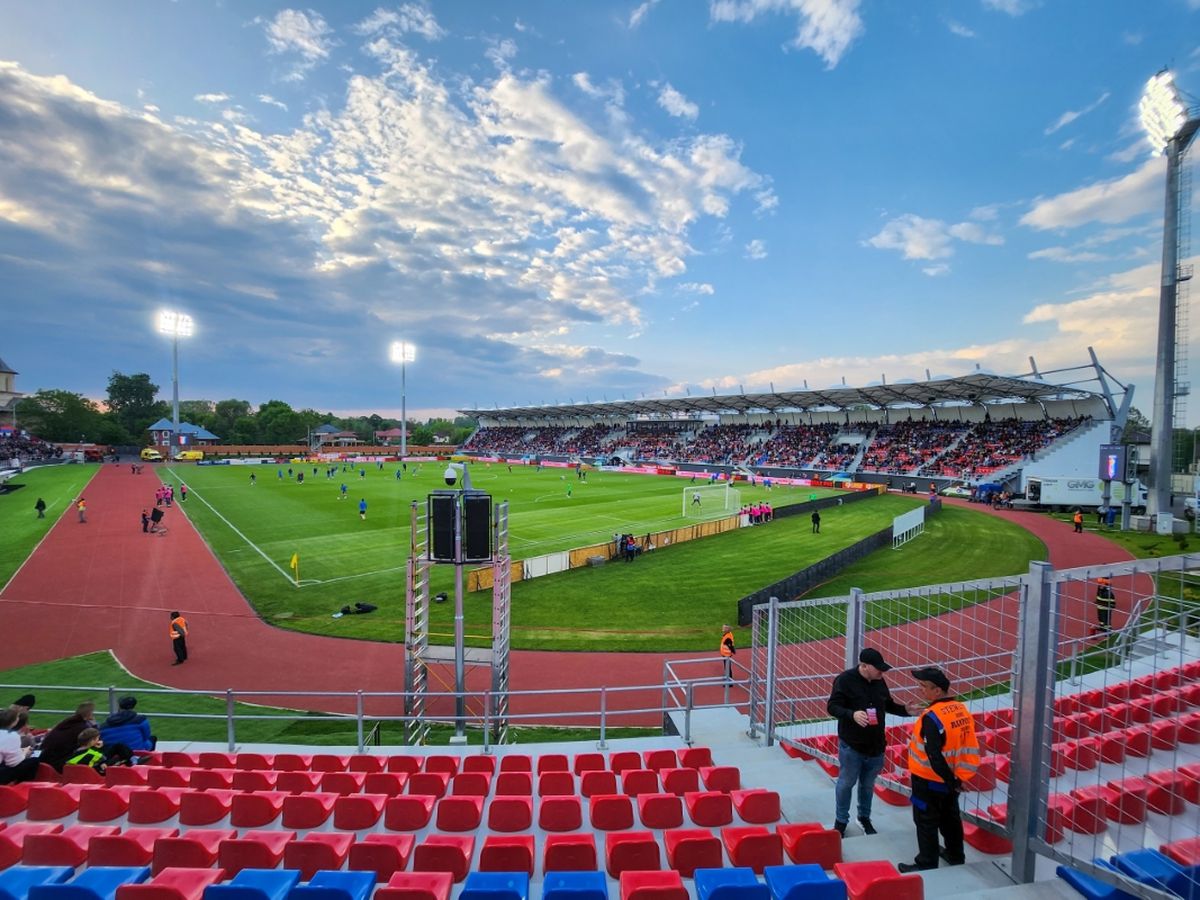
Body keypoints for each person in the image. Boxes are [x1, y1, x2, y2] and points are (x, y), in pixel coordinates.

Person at [826, 648, 917, 837]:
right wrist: (852, 714)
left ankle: (864, 818)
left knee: (867, 785)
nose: (882, 672)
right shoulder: (845, 680)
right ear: (864, 666)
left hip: (876, 746)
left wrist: (905, 710)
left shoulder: (879, 681)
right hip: (852, 745)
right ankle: (841, 821)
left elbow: (887, 704)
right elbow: (832, 706)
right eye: (878, 669)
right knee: (846, 784)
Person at [898, 666, 980, 873]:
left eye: (924, 686)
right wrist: (955, 781)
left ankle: (927, 862)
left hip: (929, 780)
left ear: (937, 691)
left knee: (925, 820)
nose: (920, 689)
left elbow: (934, 755)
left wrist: (951, 781)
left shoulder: (932, 717)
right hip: (953, 776)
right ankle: (955, 855)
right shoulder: (960, 709)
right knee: (950, 819)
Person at [38, 701, 98, 771]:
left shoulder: (67, 722)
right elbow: (91, 740)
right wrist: (94, 725)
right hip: (57, 763)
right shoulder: (81, 727)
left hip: (45, 758)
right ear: (89, 713)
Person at [0, 707, 39, 784]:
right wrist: (24, 754)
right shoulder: (11, 736)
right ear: (14, 722)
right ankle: (22, 786)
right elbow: (13, 763)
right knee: (33, 761)